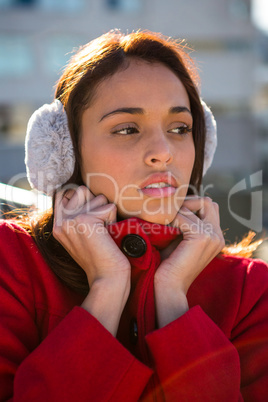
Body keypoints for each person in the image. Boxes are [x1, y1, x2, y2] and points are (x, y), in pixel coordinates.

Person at [0, 30, 267, 401]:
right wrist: (107, 289)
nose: (163, 153)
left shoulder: (251, 290)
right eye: (127, 129)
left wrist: (173, 299)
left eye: (180, 128)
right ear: (65, 151)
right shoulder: (10, 260)